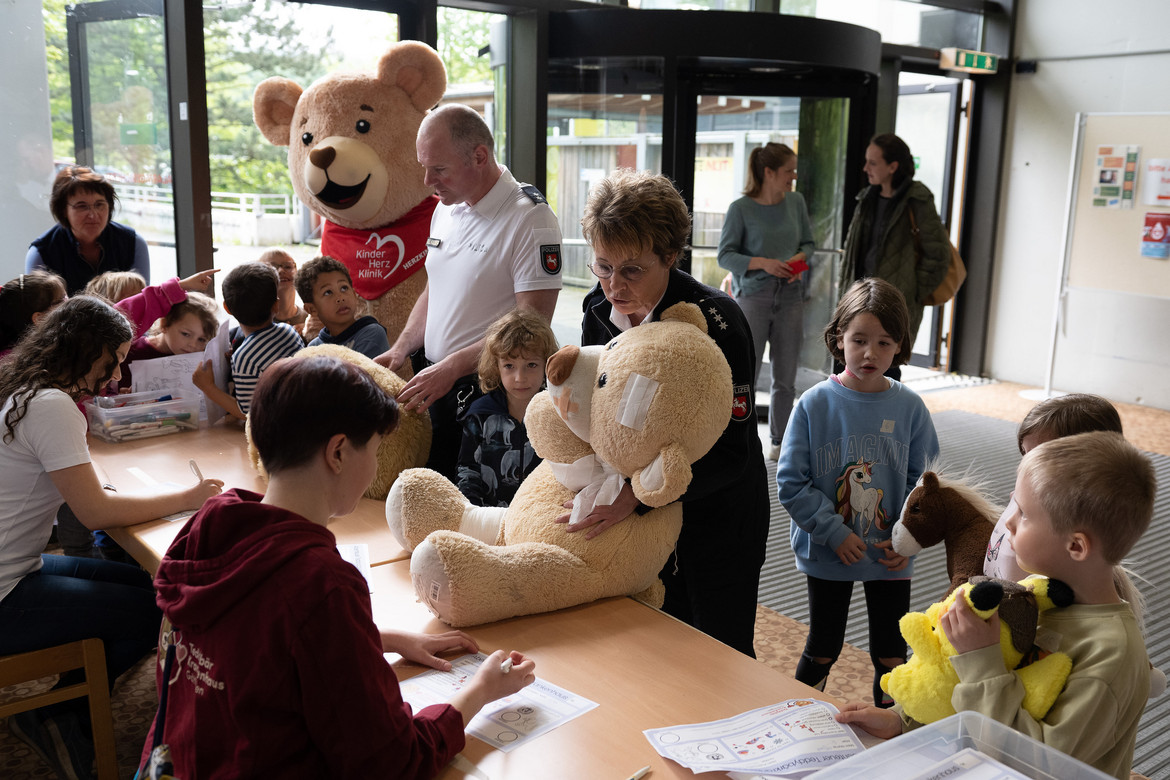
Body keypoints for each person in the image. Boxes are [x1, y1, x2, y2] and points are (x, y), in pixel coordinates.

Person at [141, 353, 536, 779]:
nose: (376, 468)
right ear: (338, 452)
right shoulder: (321, 583)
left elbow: (253, 641)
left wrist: (374, 640)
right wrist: (480, 692)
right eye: (376, 451)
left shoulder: (211, 524)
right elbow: (393, 762)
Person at [838, 431, 1156, 780]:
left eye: (1023, 513)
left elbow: (1036, 765)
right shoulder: (1031, 595)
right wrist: (905, 721)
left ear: (1076, 546)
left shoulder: (1112, 655)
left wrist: (980, 661)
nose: (1008, 522)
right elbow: (953, 686)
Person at [0, 296, 222, 780]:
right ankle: (59, 715)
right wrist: (189, 496)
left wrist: (108, 485)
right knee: (156, 611)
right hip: (6, 592)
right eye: (113, 361)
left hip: (16, 567)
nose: (117, 375)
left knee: (146, 588)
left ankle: (64, 706)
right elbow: (95, 512)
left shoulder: (30, 392)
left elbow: (72, 475)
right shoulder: (52, 406)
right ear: (86, 350)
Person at [575, 168, 769, 658]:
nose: (614, 286)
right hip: (642, 518)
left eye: (631, 270)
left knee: (721, 654)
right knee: (654, 651)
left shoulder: (718, 322)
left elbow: (733, 452)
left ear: (670, 255)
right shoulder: (596, 310)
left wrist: (638, 497)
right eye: (603, 267)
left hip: (718, 516)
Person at [375, 103, 562, 482]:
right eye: (424, 167)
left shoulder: (530, 217)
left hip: (485, 389)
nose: (427, 180)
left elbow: (533, 325)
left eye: (439, 169)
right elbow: (436, 287)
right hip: (435, 379)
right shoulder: (447, 207)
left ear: (479, 156)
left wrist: (452, 367)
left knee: (467, 496)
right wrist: (401, 347)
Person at [776, 277, 940, 705]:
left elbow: (926, 485)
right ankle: (800, 719)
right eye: (860, 340)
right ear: (838, 339)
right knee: (823, 647)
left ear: (899, 345)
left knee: (891, 653)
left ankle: (891, 725)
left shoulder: (911, 408)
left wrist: (908, 538)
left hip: (890, 553)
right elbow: (791, 481)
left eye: (884, 343)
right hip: (829, 551)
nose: (871, 353)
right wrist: (834, 532)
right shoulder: (813, 404)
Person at [717, 142, 816, 461]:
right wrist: (765, 263)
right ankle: (738, 440)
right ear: (769, 172)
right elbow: (725, 256)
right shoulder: (741, 208)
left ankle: (779, 442)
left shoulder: (796, 202)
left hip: (790, 297)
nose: (794, 176)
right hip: (753, 299)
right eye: (789, 171)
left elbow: (808, 244)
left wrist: (798, 261)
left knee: (785, 378)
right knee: (744, 374)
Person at [839, 134, 951, 379]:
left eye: (873, 163)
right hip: (859, 298)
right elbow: (851, 249)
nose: (865, 168)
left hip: (893, 303)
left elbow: (939, 255)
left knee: (887, 370)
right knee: (850, 368)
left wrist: (912, 292)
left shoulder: (917, 199)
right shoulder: (867, 197)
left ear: (893, 166)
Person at [985, 393, 1123, 582]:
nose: (1026, 467)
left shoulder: (1075, 524)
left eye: (1039, 459)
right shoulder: (1028, 491)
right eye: (1025, 454)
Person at [457, 307, 558, 507]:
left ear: (547, 364)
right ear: (496, 366)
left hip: (540, 515)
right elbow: (468, 471)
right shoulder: (479, 414)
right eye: (509, 366)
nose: (520, 378)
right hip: (489, 517)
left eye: (531, 365)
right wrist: (474, 513)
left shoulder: (557, 413)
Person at [194, 262, 302, 420]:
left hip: (281, 425)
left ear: (227, 308)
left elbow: (249, 415)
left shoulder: (244, 358)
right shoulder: (289, 331)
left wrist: (208, 387)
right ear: (276, 306)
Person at [26, 166, 151, 295]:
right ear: (63, 210)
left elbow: (142, 300)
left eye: (99, 204)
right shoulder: (41, 253)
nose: (93, 214)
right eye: (82, 206)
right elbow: (41, 306)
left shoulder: (133, 243)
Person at [117, 292, 220, 391]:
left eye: (201, 339)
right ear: (164, 324)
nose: (193, 345)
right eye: (185, 334)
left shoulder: (204, 358)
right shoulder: (131, 351)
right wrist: (123, 394)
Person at [295, 255, 390, 359]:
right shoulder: (314, 348)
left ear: (354, 294)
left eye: (344, 288)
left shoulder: (372, 333)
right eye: (328, 292)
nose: (340, 298)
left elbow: (362, 369)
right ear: (311, 309)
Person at [0, 270, 67, 358]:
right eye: (62, 300)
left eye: (66, 296)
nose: (69, 301)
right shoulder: (21, 359)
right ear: (39, 318)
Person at [259, 247, 311, 338]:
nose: (281, 271)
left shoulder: (311, 319)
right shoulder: (255, 324)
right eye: (272, 267)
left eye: (288, 266)